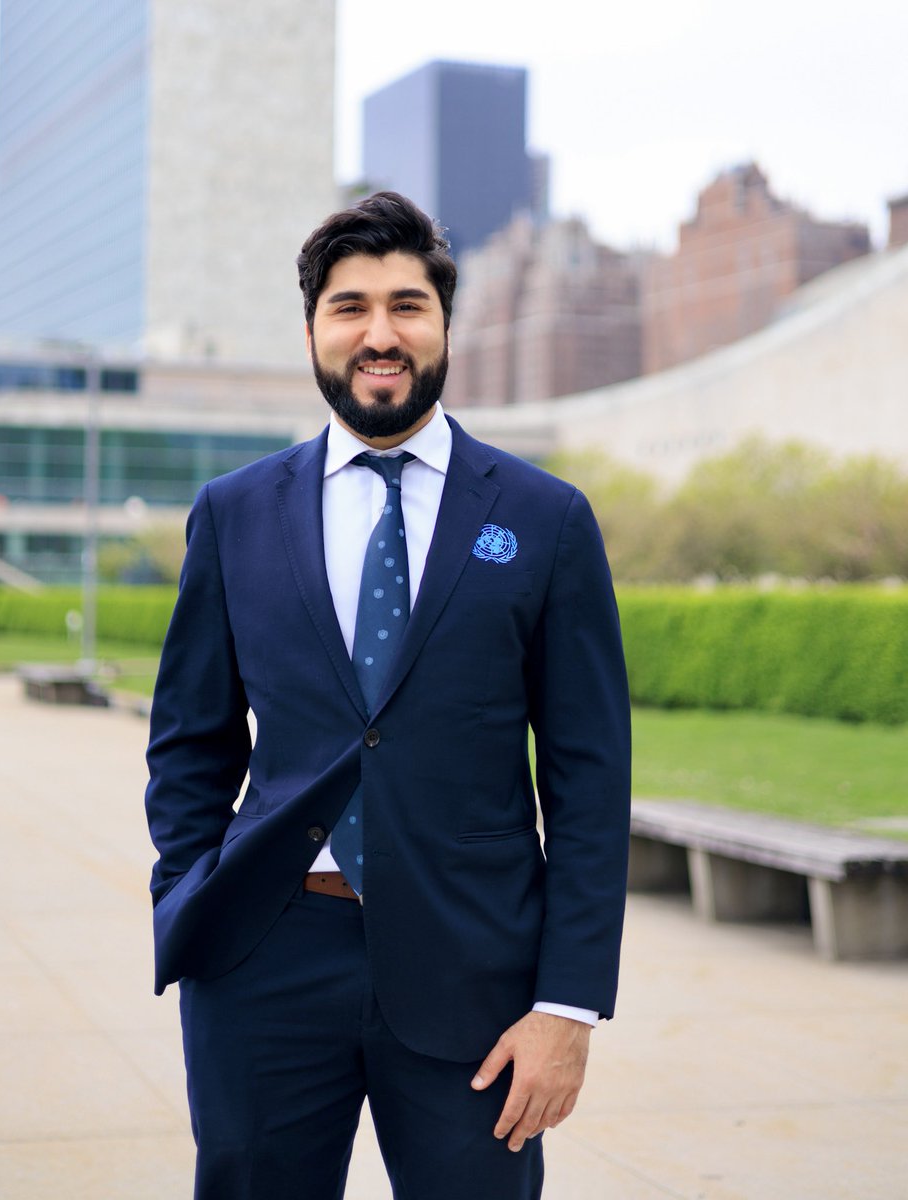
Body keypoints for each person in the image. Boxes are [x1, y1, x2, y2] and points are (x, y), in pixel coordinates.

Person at [145, 191, 631, 1200]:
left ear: (444, 325)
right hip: (262, 962)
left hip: (474, 975)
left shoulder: (545, 520)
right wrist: (189, 897)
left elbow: (589, 782)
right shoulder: (232, 515)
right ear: (313, 330)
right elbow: (189, 745)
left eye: (407, 305)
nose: (379, 333)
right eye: (349, 306)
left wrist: (568, 1007)